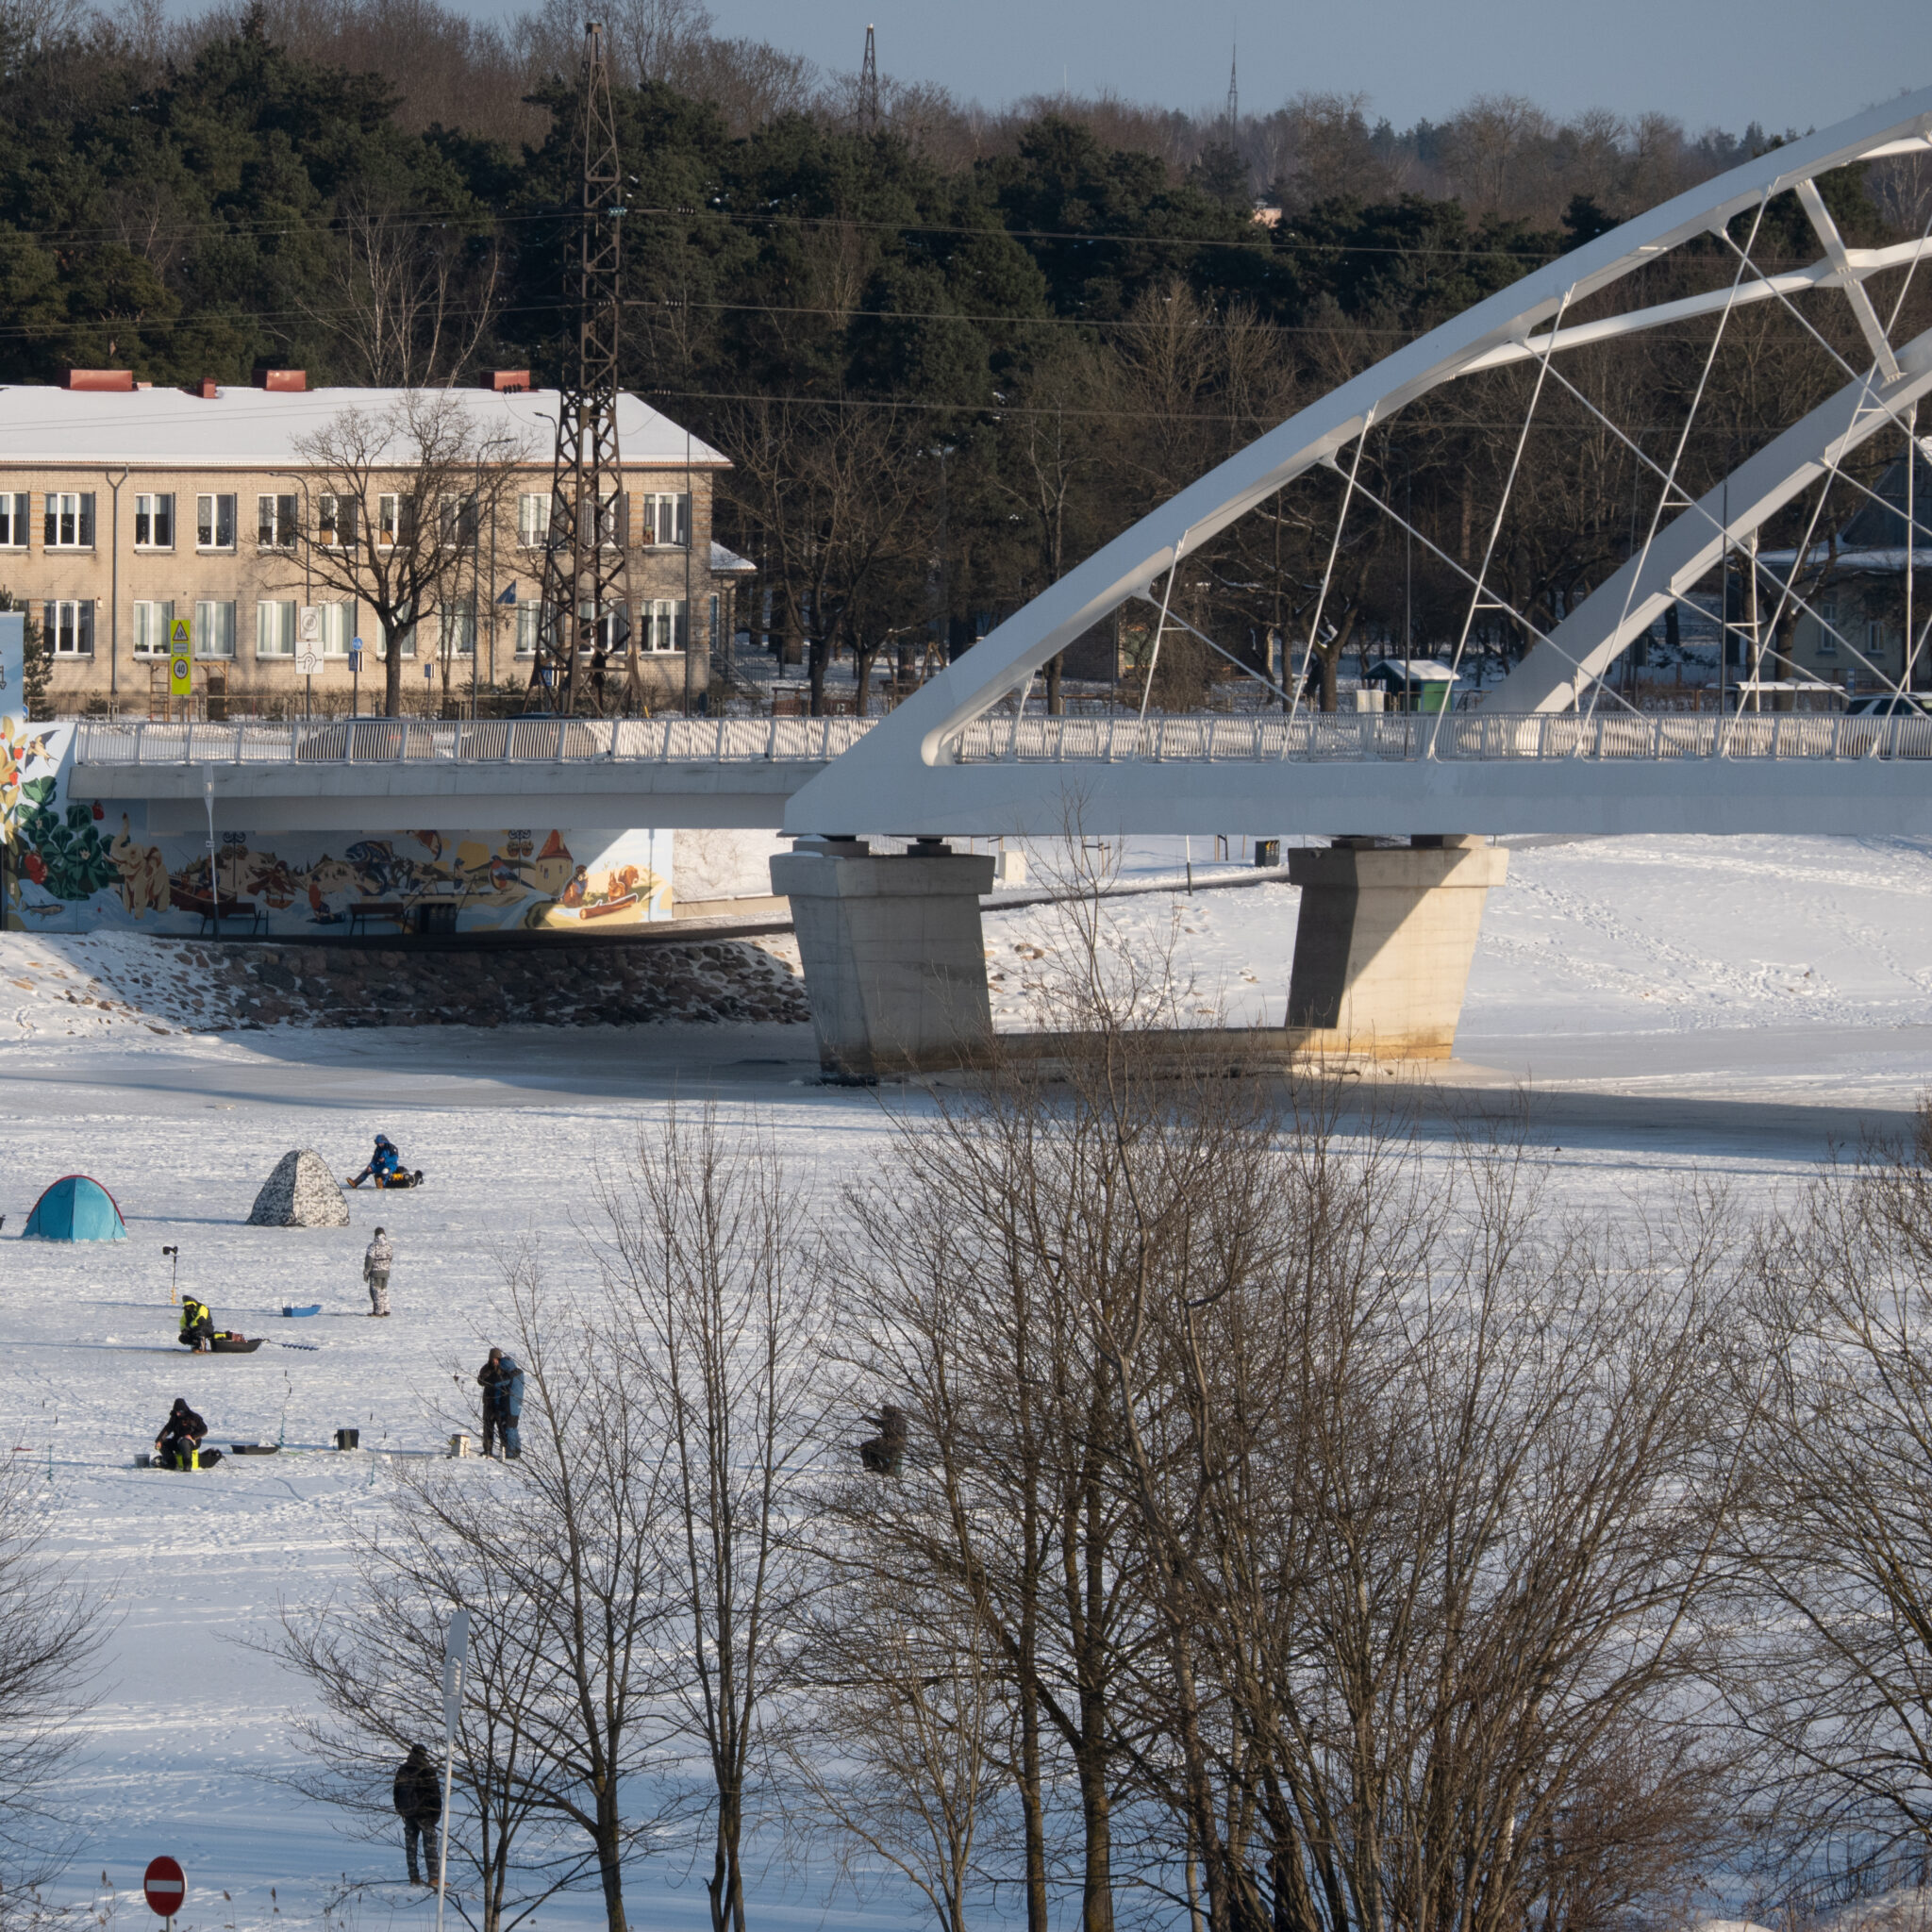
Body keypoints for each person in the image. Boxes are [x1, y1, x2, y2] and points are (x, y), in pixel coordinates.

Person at [392, 1742, 441, 1886]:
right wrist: (436, 1814)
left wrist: (401, 1810)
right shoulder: (428, 1770)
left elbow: (396, 1791)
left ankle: (414, 1878)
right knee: (430, 1845)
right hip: (425, 1813)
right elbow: (435, 1793)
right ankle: (434, 1878)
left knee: (410, 1847)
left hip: (408, 1813)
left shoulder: (403, 1769)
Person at [476, 1348, 524, 1460]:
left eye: (497, 1359)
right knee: (488, 1427)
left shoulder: (503, 1369)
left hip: (500, 1402)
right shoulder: (486, 1368)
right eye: (493, 1359)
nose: (495, 1361)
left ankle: (506, 1450)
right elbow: (481, 1380)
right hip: (488, 1402)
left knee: (503, 1427)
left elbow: (505, 1382)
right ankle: (487, 1450)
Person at [155, 1398, 215, 1471]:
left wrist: (193, 1436)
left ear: (184, 1410)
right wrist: (159, 1440)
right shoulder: (174, 1418)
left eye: (180, 1412)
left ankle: (187, 1465)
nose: (178, 1414)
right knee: (163, 1443)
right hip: (177, 1441)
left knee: (184, 1442)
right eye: (176, 1412)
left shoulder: (194, 1417)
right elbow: (167, 1429)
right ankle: (171, 1463)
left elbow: (204, 1430)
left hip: (192, 1442)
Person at [363, 1227, 393, 1317]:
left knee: (376, 1292)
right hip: (386, 1272)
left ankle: (378, 1311)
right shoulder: (389, 1246)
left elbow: (369, 1260)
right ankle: (386, 1309)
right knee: (384, 1291)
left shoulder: (373, 1246)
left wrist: (366, 1272)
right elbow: (390, 1258)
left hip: (376, 1272)